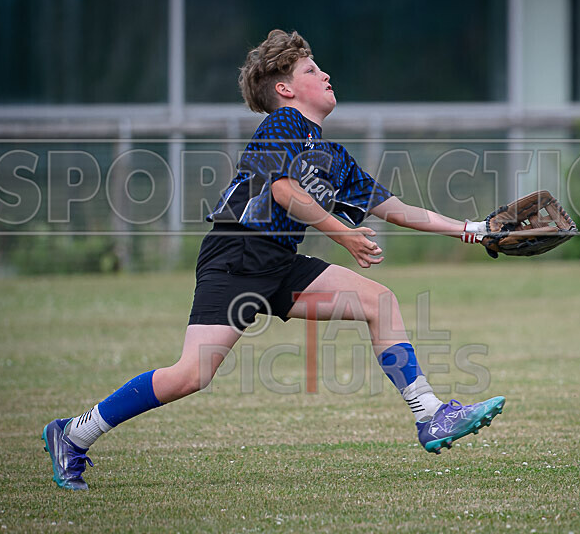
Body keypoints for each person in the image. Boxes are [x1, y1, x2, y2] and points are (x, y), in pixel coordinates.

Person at [42, 29, 504, 490]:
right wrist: (343, 233)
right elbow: (283, 190)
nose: (325, 75)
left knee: (378, 302)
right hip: (237, 253)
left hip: (280, 260)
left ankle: (430, 414)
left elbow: (397, 209)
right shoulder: (283, 124)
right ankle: (74, 433)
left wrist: (473, 229)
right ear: (284, 89)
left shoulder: (333, 156)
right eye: (311, 70)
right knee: (191, 375)